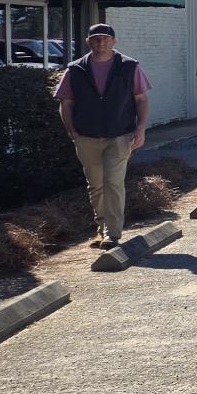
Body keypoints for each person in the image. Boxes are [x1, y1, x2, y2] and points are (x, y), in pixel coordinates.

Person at [56, 22, 151, 250]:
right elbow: (65, 103)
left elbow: (141, 100)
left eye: (105, 39)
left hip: (120, 134)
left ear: (114, 41)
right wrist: (72, 131)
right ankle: (101, 227)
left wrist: (141, 129)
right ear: (89, 42)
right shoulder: (75, 69)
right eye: (96, 39)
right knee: (96, 185)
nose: (101, 42)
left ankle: (112, 233)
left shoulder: (129, 66)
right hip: (86, 136)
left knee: (113, 182)